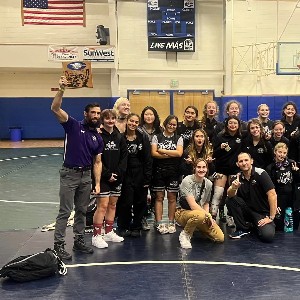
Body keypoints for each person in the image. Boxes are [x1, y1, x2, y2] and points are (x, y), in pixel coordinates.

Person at [51, 76, 103, 260]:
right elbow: (55, 108)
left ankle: (79, 241)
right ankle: (58, 245)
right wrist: (61, 89)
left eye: (98, 113)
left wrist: (97, 183)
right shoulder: (73, 125)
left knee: (82, 210)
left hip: (86, 175)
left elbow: (97, 161)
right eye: (93, 113)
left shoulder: (98, 137)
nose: (96, 116)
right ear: (86, 114)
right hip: (69, 174)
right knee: (65, 211)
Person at [92, 109, 128, 249]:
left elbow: (124, 156)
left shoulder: (119, 137)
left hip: (117, 177)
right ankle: (96, 235)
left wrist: (118, 174)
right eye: (107, 118)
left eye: (113, 118)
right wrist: (107, 174)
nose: (110, 121)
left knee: (113, 205)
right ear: (102, 120)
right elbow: (96, 159)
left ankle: (108, 231)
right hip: (103, 177)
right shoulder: (98, 136)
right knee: (102, 206)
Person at [226, 152, 277, 242]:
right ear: (238, 164)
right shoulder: (236, 178)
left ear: (251, 161)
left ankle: (253, 225)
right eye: (241, 161)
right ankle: (243, 229)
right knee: (230, 200)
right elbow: (229, 195)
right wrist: (233, 187)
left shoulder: (261, 173)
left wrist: (271, 217)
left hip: (262, 213)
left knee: (267, 236)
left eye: (246, 160)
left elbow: (272, 195)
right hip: (247, 211)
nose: (244, 163)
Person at [117, 113, 152, 237]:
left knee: (140, 201)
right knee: (125, 202)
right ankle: (123, 226)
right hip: (126, 174)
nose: (133, 124)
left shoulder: (143, 138)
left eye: (136, 122)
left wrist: (147, 177)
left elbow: (148, 159)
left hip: (140, 173)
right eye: (131, 121)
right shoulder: (120, 138)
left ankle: (136, 226)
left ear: (138, 124)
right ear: (127, 121)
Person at [175, 159, 224, 249]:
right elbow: (193, 205)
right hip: (182, 212)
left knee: (219, 237)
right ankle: (185, 234)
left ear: (207, 169)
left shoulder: (208, 183)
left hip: (200, 213)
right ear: (194, 168)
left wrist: (207, 219)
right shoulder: (187, 180)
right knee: (200, 215)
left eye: (204, 167)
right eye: (198, 167)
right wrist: (208, 215)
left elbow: (206, 203)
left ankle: (198, 227)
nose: (201, 170)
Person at [151, 115, 183, 234]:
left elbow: (179, 153)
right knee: (159, 197)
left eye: (174, 124)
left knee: (172, 197)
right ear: (165, 124)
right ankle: (159, 222)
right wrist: (171, 153)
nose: (171, 126)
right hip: (158, 171)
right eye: (170, 124)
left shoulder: (178, 138)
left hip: (173, 171)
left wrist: (163, 150)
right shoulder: (156, 136)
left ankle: (171, 221)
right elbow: (153, 153)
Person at [210, 116, 242, 221]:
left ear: (238, 125)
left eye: (235, 123)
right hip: (221, 169)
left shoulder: (242, 136)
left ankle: (231, 217)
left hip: (234, 170)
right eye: (231, 123)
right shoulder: (220, 137)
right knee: (218, 193)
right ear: (227, 125)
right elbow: (214, 153)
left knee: (232, 194)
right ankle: (212, 217)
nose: (233, 125)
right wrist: (220, 148)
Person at [266, 143, 299, 231]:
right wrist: (274, 204)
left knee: (294, 226)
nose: (282, 155)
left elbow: (298, 180)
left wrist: (296, 172)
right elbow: (270, 188)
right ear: (275, 152)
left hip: (292, 195)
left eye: (284, 153)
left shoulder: (292, 163)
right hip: (279, 197)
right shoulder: (270, 168)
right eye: (280, 152)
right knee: (279, 226)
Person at [139, 106, 162, 230]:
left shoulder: (159, 130)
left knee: (155, 193)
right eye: (146, 114)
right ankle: (142, 217)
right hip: (142, 166)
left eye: (151, 114)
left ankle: (154, 215)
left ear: (155, 116)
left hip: (156, 165)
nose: (149, 117)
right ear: (143, 116)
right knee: (142, 193)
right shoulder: (138, 130)